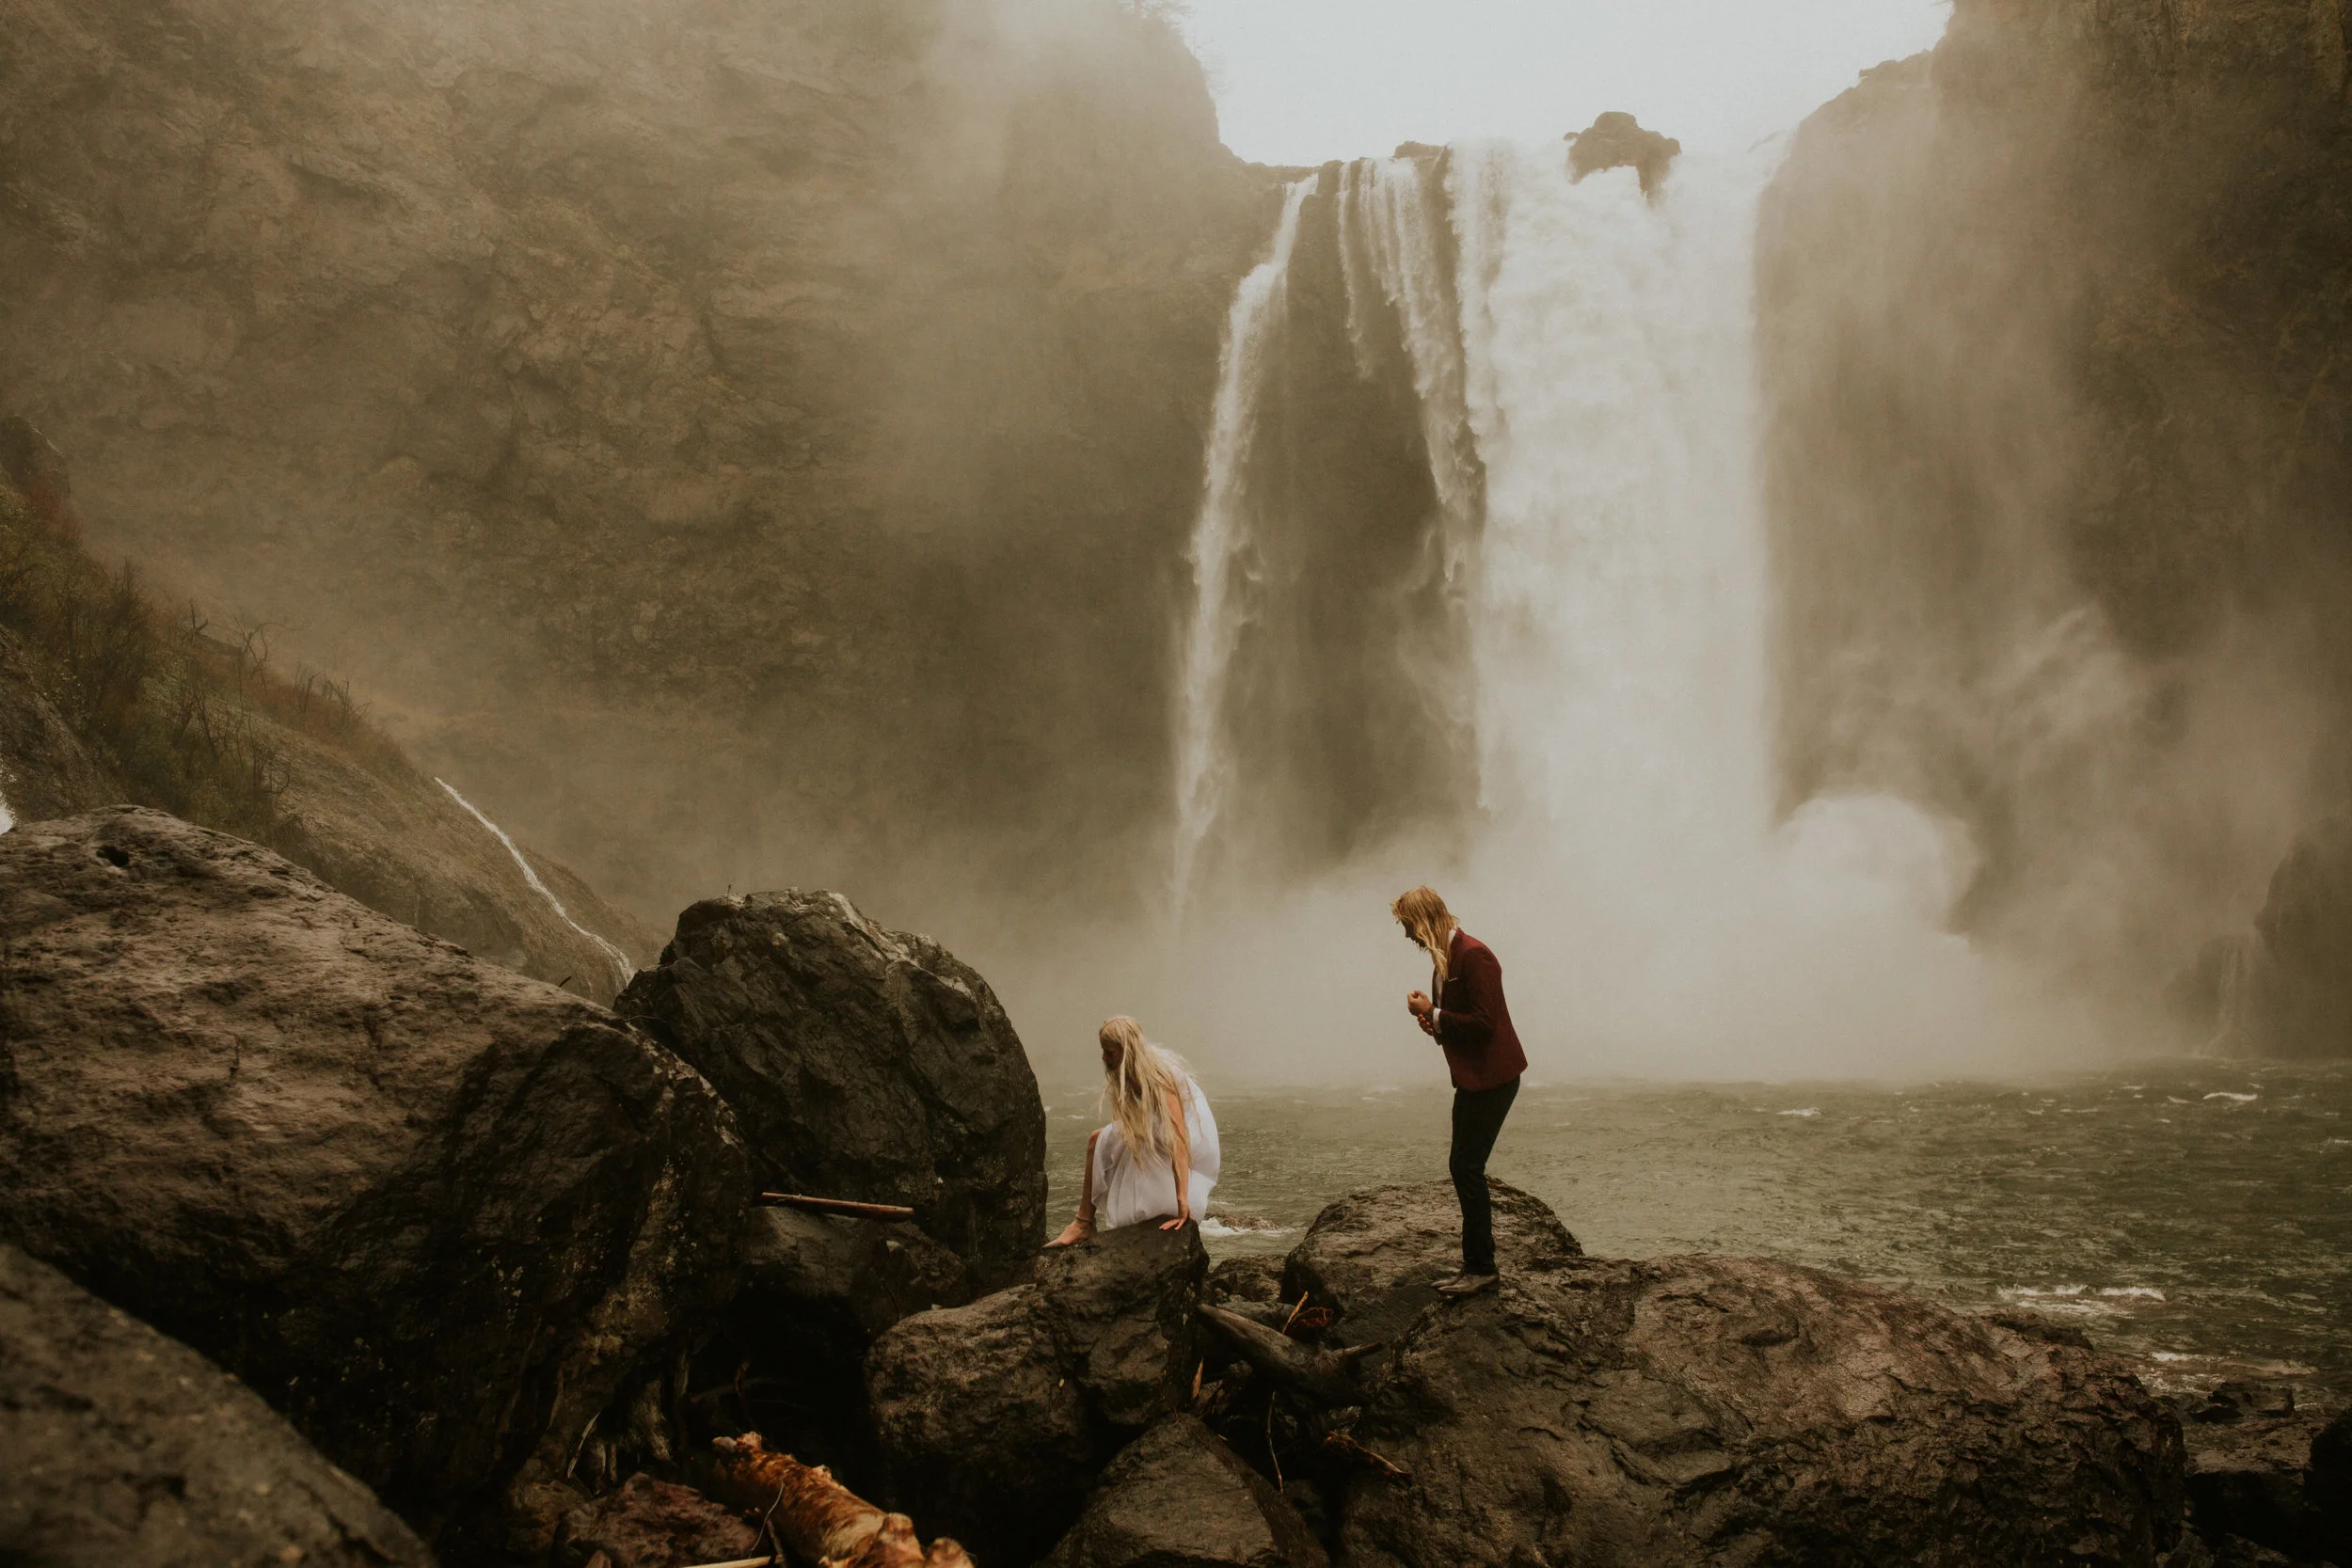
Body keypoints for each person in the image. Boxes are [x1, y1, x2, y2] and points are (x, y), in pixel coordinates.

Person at [1395, 885, 1528, 1296]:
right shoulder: (1446, 960)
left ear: (1423, 920)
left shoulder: (1474, 955)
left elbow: (1485, 1023)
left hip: (1493, 1078)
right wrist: (1435, 1023)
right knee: (1464, 1167)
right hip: (1475, 1076)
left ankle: (1482, 1269)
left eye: (1407, 926)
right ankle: (1475, 1265)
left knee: (1466, 1168)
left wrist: (1433, 1013)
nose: (1407, 937)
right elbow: (1460, 1022)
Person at [1049, 1016, 1220, 1245]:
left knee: (1105, 1141)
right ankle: (1083, 1224)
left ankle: (1082, 1223)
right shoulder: (1130, 1067)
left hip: (1191, 1131)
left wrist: (1182, 1200)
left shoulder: (1159, 1074)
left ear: (1125, 1050)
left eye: (1108, 1052)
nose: (1103, 1057)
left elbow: (1178, 1138)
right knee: (1096, 1140)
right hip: (1160, 1123)